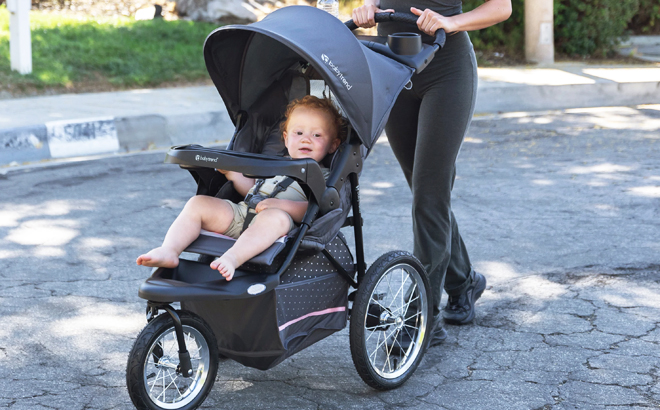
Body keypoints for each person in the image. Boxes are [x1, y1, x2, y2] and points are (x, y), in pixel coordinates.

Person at [352, 0, 511, 344]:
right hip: (392, 65)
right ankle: (463, 281)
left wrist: (452, 22)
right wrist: (367, 5)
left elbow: (502, 7)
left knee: (429, 195)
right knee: (427, 193)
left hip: (446, 71)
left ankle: (422, 315)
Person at [136, 96, 345, 280]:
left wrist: (281, 205)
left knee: (275, 217)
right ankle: (170, 250)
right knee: (198, 204)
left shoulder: (323, 175)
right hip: (243, 213)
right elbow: (254, 189)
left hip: (279, 227)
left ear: (333, 145)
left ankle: (232, 258)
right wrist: (233, 175)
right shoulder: (276, 164)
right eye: (298, 132)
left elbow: (315, 209)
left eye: (317, 135)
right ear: (286, 138)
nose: (306, 139)